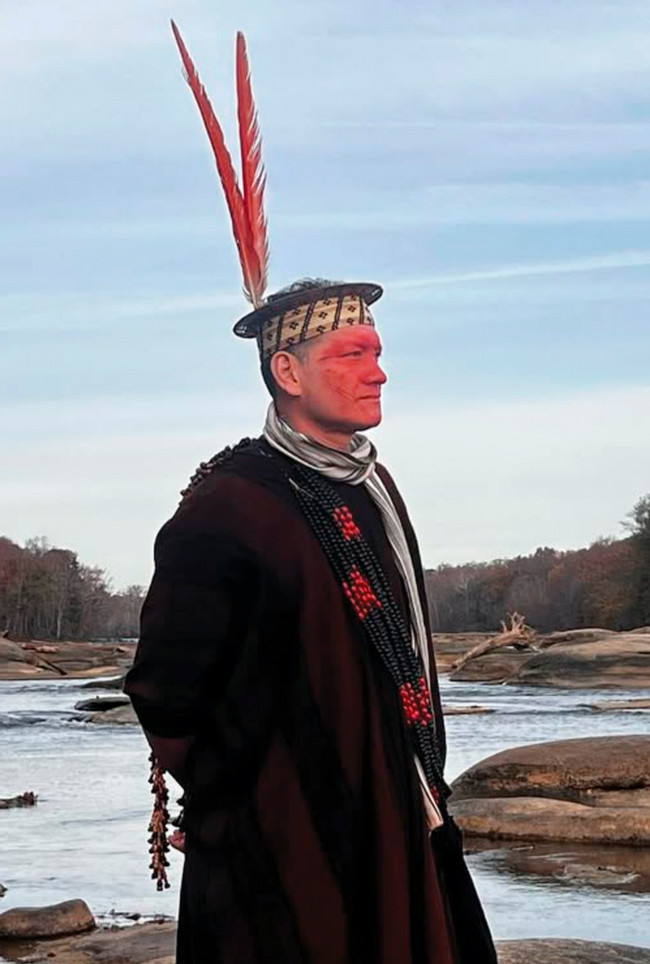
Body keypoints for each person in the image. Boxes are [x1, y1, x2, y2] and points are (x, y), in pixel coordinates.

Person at [124, 24, 497, 964]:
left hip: (399, 819)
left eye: (375, 351)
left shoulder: (375, 485)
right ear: (286, 371)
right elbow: (165, 688)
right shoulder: (227, 507)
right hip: (278, 860)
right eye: (352, 354)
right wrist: (248, 801)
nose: (378, 371)